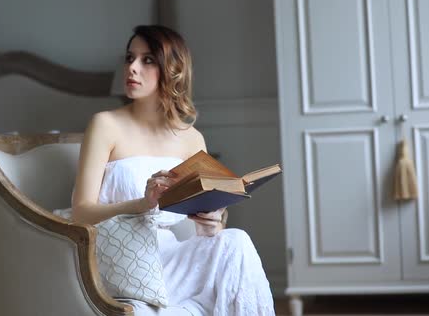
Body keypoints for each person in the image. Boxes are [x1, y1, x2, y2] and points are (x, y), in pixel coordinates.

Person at [70, 25, 275, 315]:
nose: (132, 68)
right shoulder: (105, 125)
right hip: (126, 260)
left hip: (175, 255)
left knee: (236, 241)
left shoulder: (191, 138)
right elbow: (80, 211)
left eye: (147, 60)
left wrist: (213, 220)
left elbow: (205, 218)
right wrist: (143, 204)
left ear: (172, 68)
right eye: (130, 58)